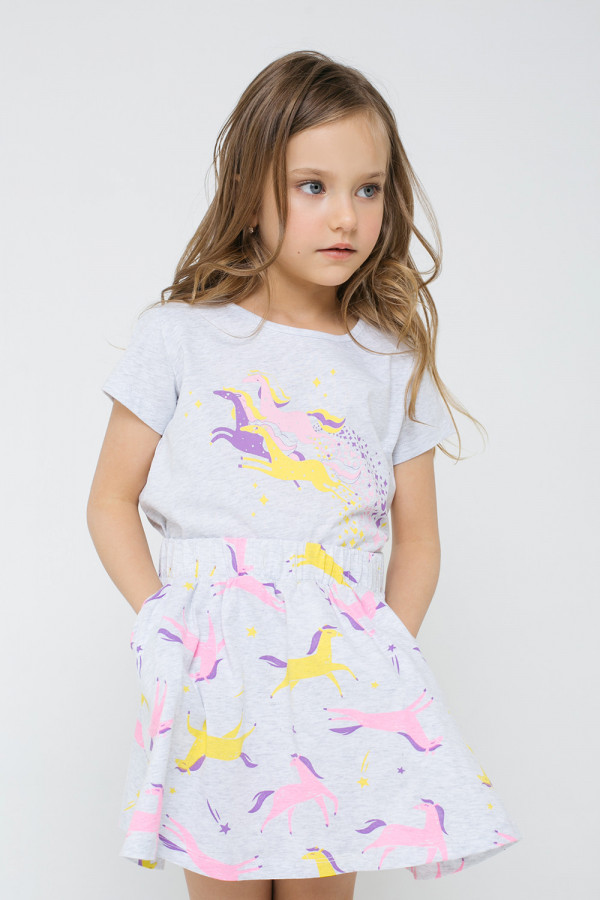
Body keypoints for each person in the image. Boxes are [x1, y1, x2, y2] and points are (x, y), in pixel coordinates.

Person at [87, 50, 522, 900]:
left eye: (369, 189)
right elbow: (110, 498)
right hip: (212, 670)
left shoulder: (389, 361)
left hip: (339, 675)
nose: (346, 216)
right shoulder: (178, 337)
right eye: (312, 186)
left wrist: (381, 650)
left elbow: (419, 538)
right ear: (250, 188)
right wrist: (159, 624)